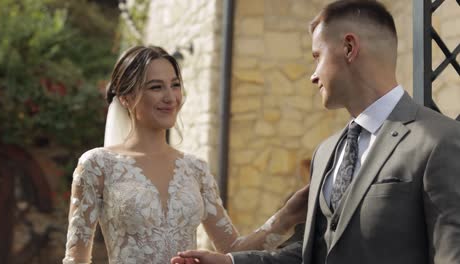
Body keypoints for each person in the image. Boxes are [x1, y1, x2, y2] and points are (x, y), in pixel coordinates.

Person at [173, 1, 460, 264]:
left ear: (349, 48)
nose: (313, 75)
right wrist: (228, 262)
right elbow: (312, 253)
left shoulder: (439, 141)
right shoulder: (325, 153)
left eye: (316, 55)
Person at [62, 45, 309, 264]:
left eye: (175, 85)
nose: (171, 98)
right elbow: (76, 260)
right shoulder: (97, 165)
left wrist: (286, 217)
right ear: (126, 98)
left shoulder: (195, 169)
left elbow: (232, 250)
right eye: (156, 87)